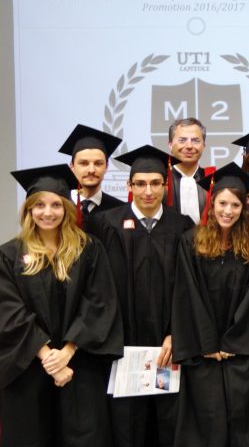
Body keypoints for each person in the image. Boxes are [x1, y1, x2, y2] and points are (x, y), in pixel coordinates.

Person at [1, 164, 123, 447]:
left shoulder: (88, 249)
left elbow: (99, 302)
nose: (48, 212)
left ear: (66, 208)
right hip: (27, 367)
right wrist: (47, 357)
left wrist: (67, 351)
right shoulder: (9, 255)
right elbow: (8, 311)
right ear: (29, 209)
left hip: (79, 364)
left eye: (56, 204)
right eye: (39, 205)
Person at [93, 145, 194, 447]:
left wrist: (177, 333)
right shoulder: (106, 224)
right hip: (122, 344)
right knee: (127, 426)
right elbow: (97, 287)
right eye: (140, 183)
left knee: (169, 425)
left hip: (168, 345)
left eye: (155, 183)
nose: (147, 191)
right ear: (129, 185)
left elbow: (190, 287)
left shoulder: (182, 225)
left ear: (165, 185)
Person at [171, 161, 249, 447]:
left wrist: (232, 343)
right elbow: (187, 294)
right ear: (212, 202)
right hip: (203, 354)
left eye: (235, 205)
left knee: (244, 420)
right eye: (222, 203)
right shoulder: (191, 241)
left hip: (239, 353)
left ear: (244, 208)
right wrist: (208, 345)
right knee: (206, 420)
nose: (227, 211)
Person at [58, 123, 125, 233]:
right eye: (84, 163)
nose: (91, 170)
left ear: (106, 167)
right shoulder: (59, 205)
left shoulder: (119, 209)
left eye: (98, 163)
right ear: (72, 167)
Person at [167, 117, 215, 224]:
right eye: (182, 140)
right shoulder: (160, 181)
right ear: (170, 145)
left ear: (204, 145)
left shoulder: (213, 180)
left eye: (195, 140)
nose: (189, 146)